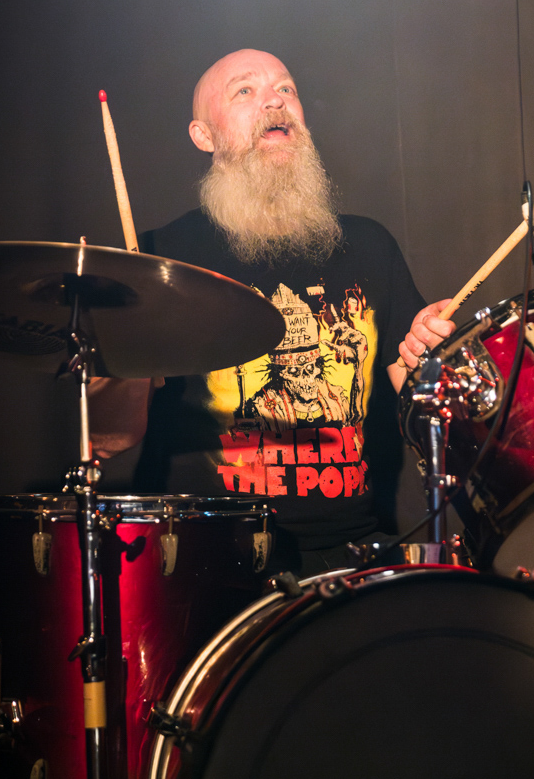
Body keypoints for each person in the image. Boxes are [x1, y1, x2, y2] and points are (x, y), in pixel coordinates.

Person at [90, 49, 454, 574]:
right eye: (245, 91)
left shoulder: (369, 245)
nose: (274, 102)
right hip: (210, 560)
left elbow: (423, 414)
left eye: (286, 89)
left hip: (354, 554)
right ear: (203, 136)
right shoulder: (157, 259)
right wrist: (130, 360)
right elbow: (108, 440)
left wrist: (427, 362)